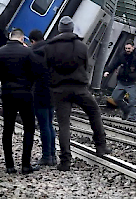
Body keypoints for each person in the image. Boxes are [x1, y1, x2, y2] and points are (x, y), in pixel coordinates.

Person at [44, 16, 110, 171]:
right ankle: (100, 147)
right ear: (72, 29)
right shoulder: (81, 46)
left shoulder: (49, 47)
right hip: (80, 88)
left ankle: (65, 161)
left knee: (64, 124)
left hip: (59, 90)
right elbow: (86, 66)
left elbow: (46, 69)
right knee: (94, 112)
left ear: (60, 30)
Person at [0, 28, 40, 174]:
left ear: (10, 37)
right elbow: (35, 73)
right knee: (29, 128)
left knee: (8, 129)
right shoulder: (29, 52)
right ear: (22, 38)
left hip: (7, 94)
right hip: (25, 93)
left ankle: (9, 165)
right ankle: (26, 165)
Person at [28, 29, 56, 167]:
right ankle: (53, 155)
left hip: (39, 93)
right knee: (50, 124)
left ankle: (47, 157)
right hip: (52, 92)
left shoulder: (34, 54)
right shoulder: (52, 51)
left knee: (44, 125)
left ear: (32, 40)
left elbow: (31, 75)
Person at [105, 41, 136, 122]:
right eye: (126, 48)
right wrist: (108, 71)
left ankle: (132, 119)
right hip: (122, 81)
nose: (127, 50)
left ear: (133, 47)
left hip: (132, 82)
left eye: (129, 48)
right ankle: (126, 110)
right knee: (115, 98)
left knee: (132, 101)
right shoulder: (122, 55)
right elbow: (114, 64)